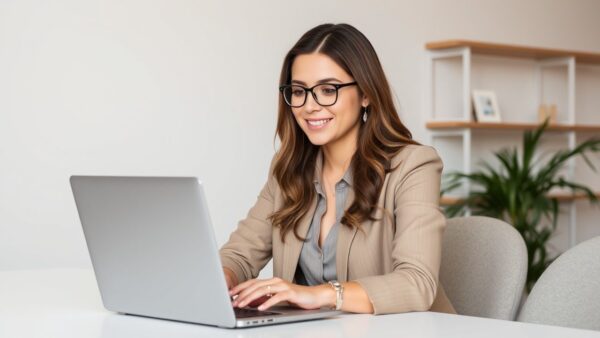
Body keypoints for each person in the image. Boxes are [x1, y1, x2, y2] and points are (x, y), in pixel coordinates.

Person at [219, 23, 456, 315]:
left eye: (328, 89)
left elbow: (416, 283)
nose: (309, 106)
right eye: (298, 91)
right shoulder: (288, 170)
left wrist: (318, 294)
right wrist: (220, 278)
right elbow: (239, 255)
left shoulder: (412, 166)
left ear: (366, 94)